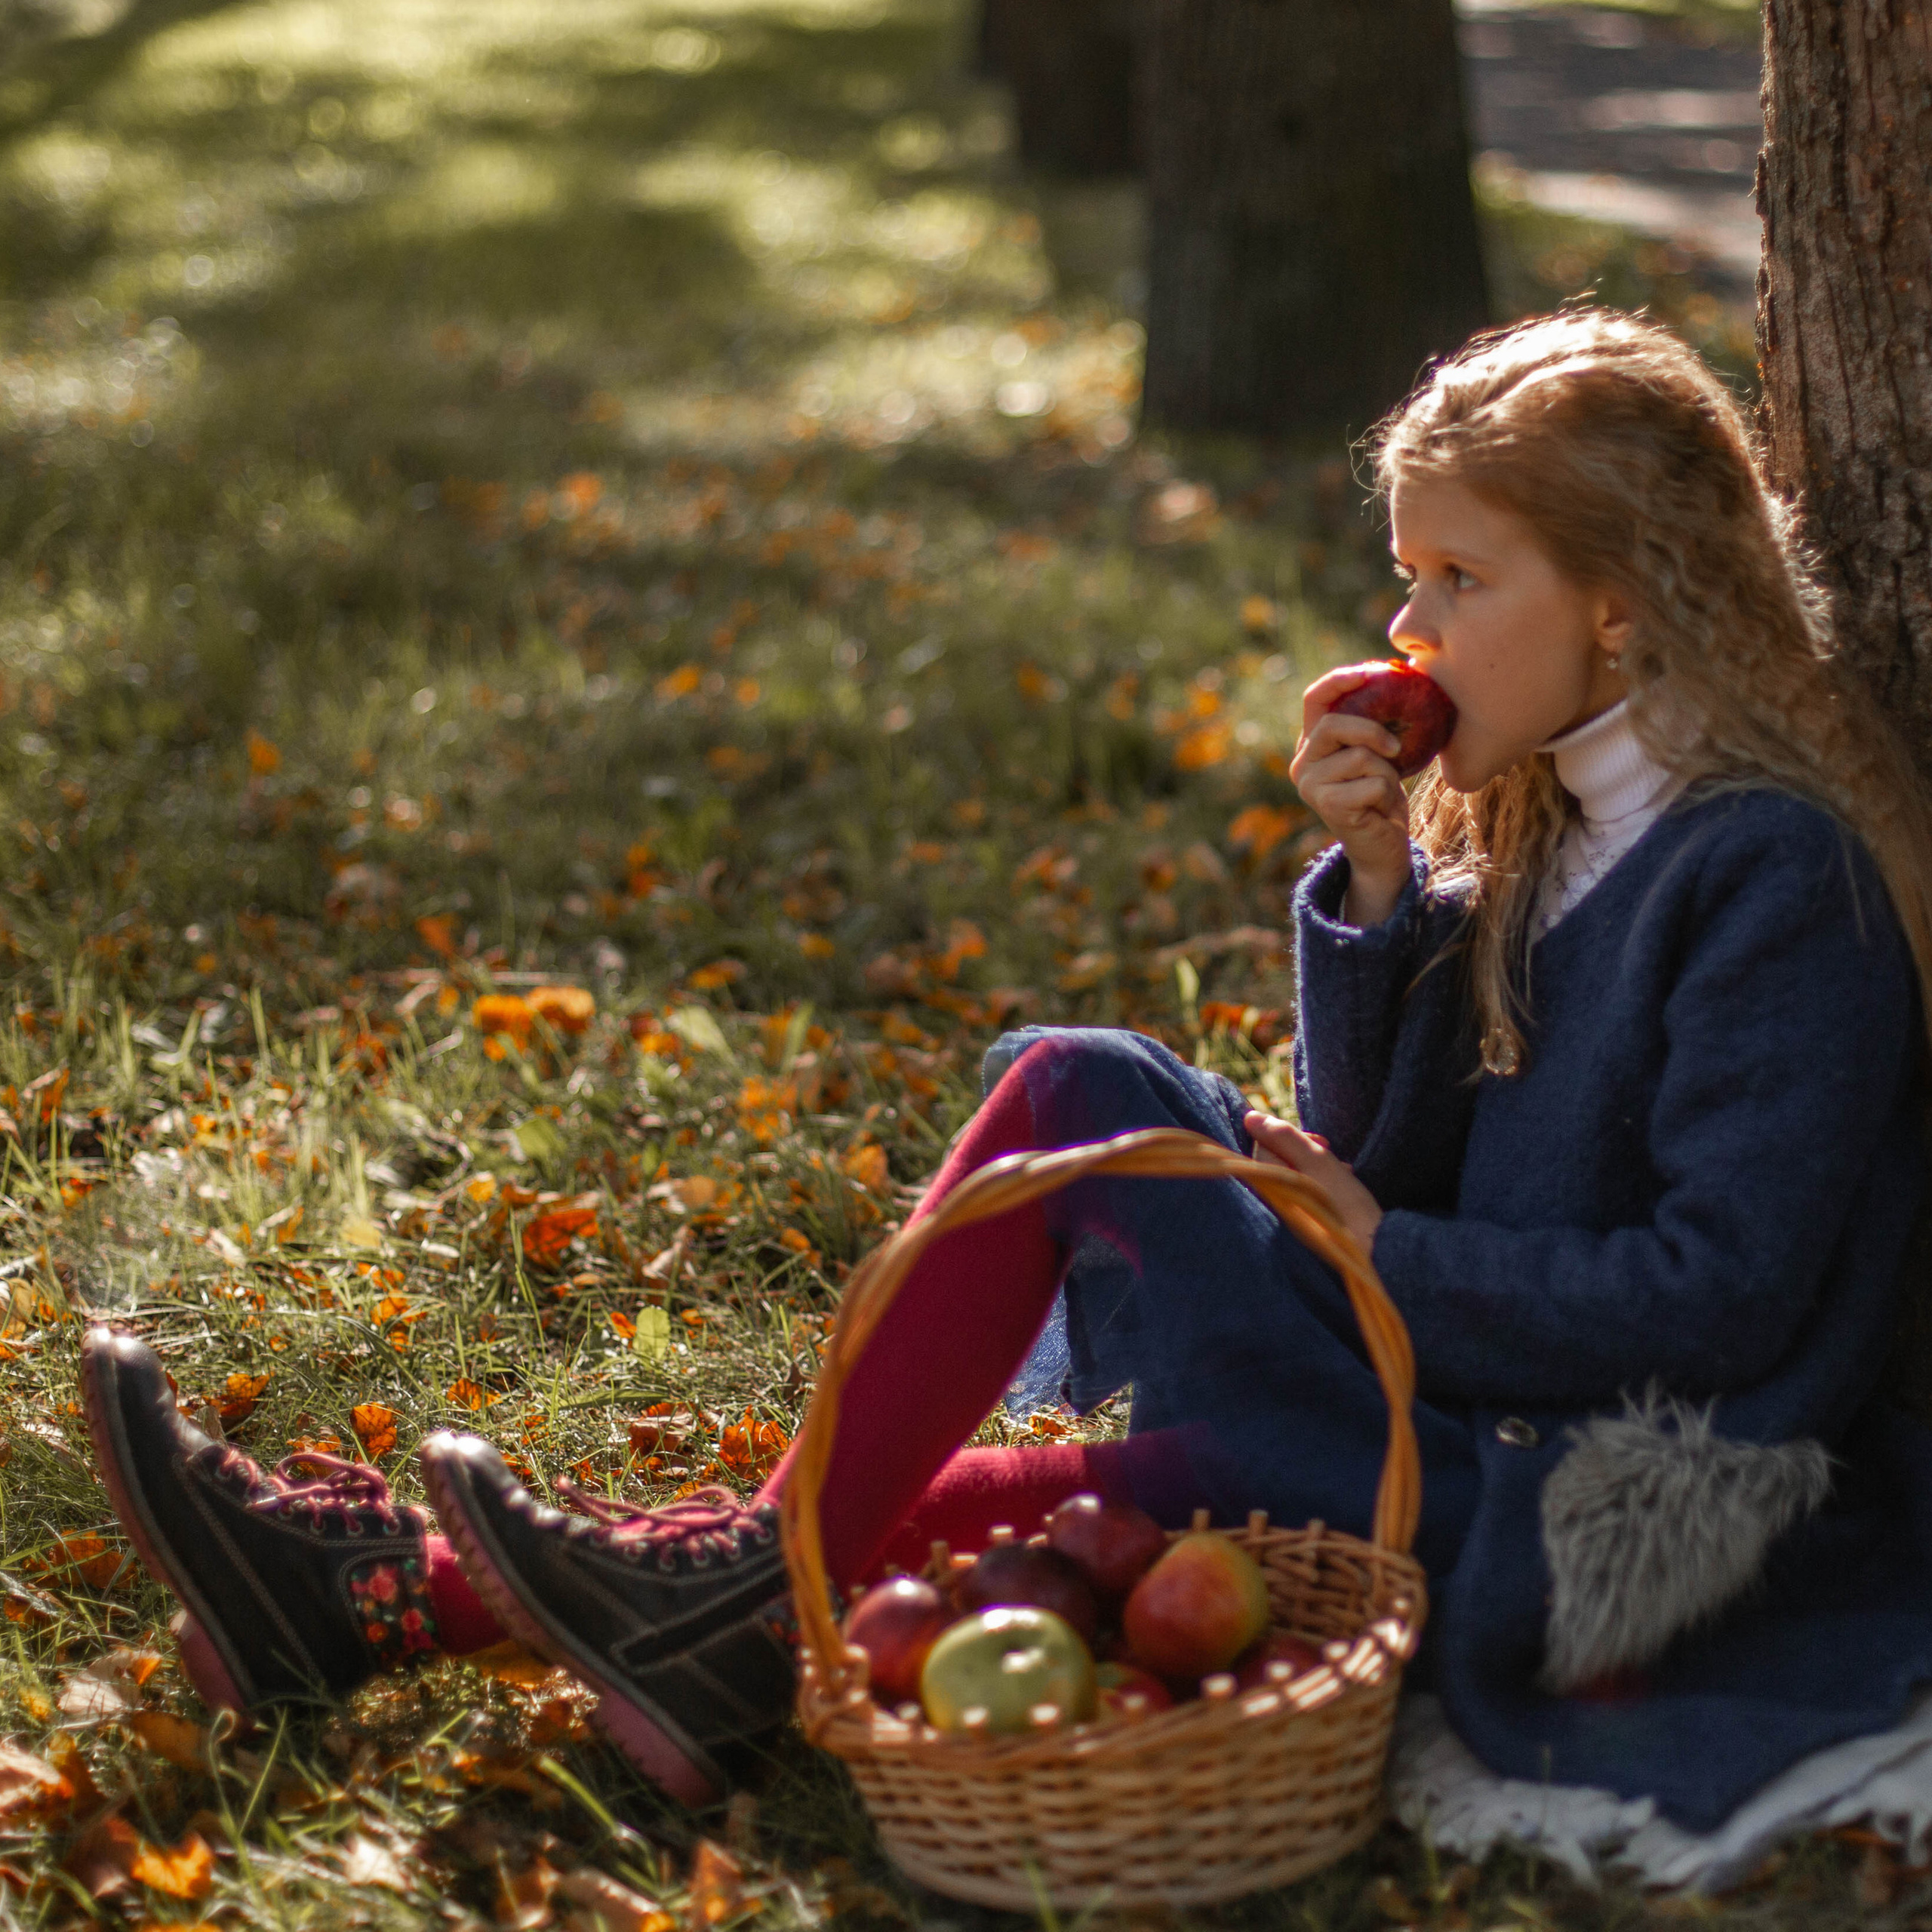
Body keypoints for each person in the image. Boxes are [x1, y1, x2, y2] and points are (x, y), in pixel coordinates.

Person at [78, 308, 1932, 1832]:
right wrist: (1378, 893)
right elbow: (1392, 1157)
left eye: (1460, 574)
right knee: (1007, 1499)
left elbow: (1719, 1296)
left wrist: (1373, 1251)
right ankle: (373, 1595)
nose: (1406, 630)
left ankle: (602, 1599)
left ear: (1621, 600)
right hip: (1444, 1410)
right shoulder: (1534, 825)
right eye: (1401, 575)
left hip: (1586, 1503)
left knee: (1076, 1084)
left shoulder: (1763, 871)